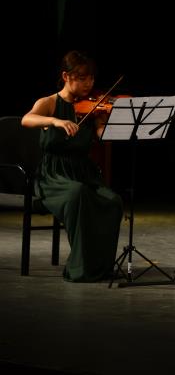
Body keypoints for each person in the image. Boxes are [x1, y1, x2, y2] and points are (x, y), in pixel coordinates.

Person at [21, 50, 124, 282]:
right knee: (78, 194)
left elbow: (101, 136)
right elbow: (27, 119)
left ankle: (101, 266)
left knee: (113, 201)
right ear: (66, 76)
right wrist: (54, 121)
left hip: (83, 171)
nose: (89, 83)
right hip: (54, 175)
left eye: (91, 78)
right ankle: (81, 267)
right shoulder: (49, 103)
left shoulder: (92, 107)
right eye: (82, 78)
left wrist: (106, 125)